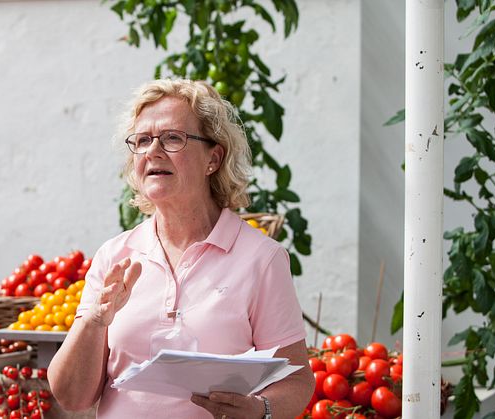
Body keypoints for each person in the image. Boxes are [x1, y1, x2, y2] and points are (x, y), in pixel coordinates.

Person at [48, 79, 314, 419]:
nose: (152, 151)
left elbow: (296, 379)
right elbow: (71, 397)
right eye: (142, 141)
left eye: (173, 138)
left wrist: (260, 410)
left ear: (213, 159)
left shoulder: (262, 258)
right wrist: (94, 323)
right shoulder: (114, 256)